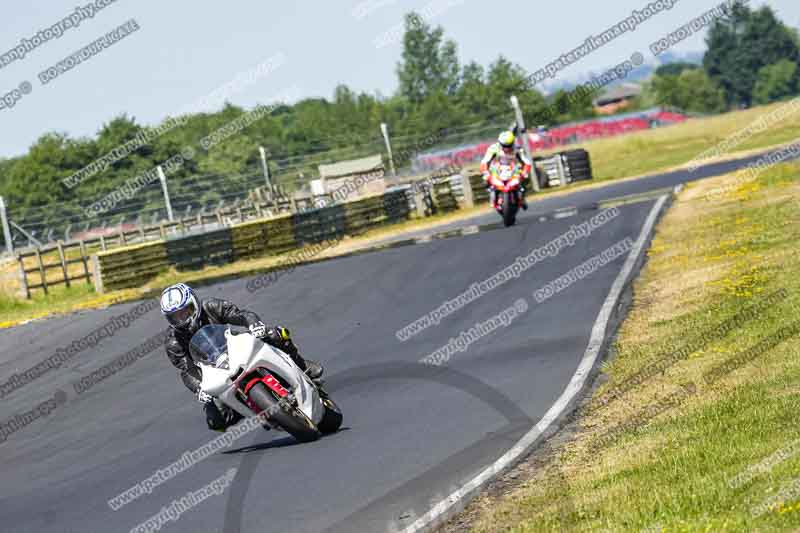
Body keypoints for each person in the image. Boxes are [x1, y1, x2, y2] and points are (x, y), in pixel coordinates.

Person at [160, 283, 323, 432]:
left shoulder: (211, 306)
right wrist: (199, 389)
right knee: (216, 420)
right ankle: (248, 408)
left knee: (276, 334)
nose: (181, 319)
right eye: (175, 317)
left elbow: (241, 315)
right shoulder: (173, 341)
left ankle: (302, 365)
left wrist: (255, 325)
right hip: (212, 369)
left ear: (194, 303)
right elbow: (187, 370)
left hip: (235, 345)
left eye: (185, 312)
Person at [480, 130, 533, 210]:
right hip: (496, 169)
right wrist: (485, 172)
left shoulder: (518, 149)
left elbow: (526, 162)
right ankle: (491, 194)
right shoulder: (493, 148)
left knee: (525, 178)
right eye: (504, 145)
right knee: (485, 179)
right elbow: (485, 161)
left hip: (513, 169)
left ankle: (522, 198)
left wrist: (524, 172)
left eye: (509, 145)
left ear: (513, 143)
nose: (506, 148)